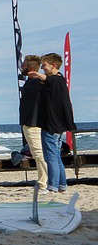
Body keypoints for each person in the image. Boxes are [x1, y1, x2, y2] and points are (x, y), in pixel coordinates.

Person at [34, 52, 76, 193]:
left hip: (52, 126)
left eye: (44, 65)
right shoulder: (58, 81)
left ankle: (52, 186)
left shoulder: (56, 80)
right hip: (56, 126)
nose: (42, 68)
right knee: (56, 157)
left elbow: (49, 80)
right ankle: (62, 185)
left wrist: (40, 76)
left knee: (51, 157)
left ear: (53, 65)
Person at [16, 56, 48, 192]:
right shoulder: (30, 82)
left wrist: (41, 76)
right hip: (29, 122)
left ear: (30, 68)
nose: (21, 67)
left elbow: (55, 80)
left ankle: (44, 182)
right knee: (38, 153)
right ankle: (45, 180)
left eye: (23, 65)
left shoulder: (37, 82)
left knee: (39, 154)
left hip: (33, 123)